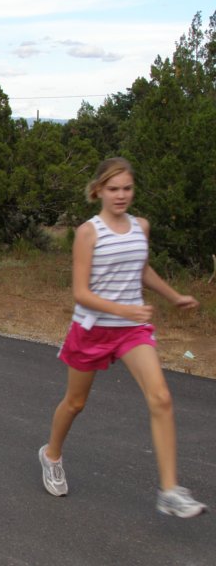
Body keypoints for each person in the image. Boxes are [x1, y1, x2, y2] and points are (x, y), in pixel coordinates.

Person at [38, 157, 207, 518]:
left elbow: (141, 268)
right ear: (98, 190)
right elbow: (81, 293)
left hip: (131, 331)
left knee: (161, 397)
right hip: (92, 329)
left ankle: (170, 491)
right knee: (75, 403)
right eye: (113, 189)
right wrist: (125, 310)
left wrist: (174, 296)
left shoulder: (140, 226)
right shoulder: (88, 232)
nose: (121, 195)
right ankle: (51, 455)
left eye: (127, 188)